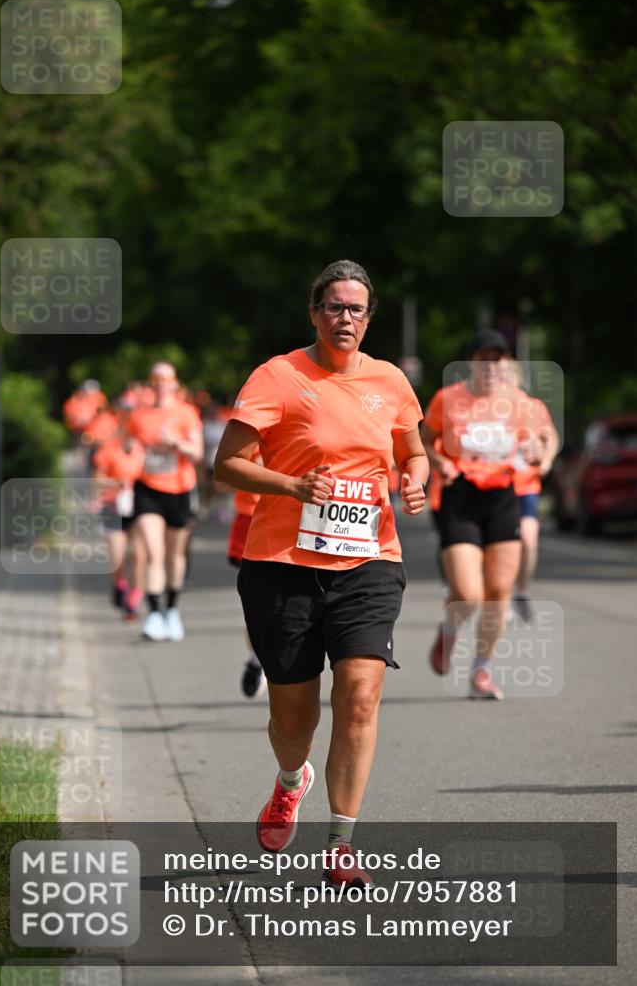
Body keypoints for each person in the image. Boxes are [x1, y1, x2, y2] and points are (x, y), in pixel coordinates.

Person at [215, 260, 428, 888]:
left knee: (360, 696)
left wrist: (414, 479)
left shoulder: (389, 381)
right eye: (334, 307)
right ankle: (290, 782)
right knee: (294, 718)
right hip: (282, 565)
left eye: (356, 309)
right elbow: (226, 464)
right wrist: (290, 484)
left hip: (369, 559)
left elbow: (412, 450)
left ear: (369, 317)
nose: (345, 318)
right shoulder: (278, 377)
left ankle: (341, 840)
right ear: (314, 313)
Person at [421, 329, 548, 700]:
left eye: (498, 358)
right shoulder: (448, 399)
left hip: (502, 497)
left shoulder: (517, 402)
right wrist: (439, 461)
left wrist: (538, 452)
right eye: (484, 358)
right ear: (471, 362)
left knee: (498, 592)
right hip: (460, 497)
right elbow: (425, 440)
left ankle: (481, 671)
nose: (491, 366)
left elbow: (540, 442)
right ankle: (449, 630)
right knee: (467, 592)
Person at [127, 362, 204, 641]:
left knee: (174, 555)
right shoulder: (139, 416)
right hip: (147, 489)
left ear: (174, 383)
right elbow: (132, 450)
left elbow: (197, 453)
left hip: (180, 490)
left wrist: (176, 443)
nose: (160, 382)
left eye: (166, 378)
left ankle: (171, 609)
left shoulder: (186, 413)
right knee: (153, 552)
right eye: (156, 378)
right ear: (151, 382)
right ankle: (155, 615)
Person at [499, 359, 559, 622]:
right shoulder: (489, 409)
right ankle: (499, 594)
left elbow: (551, 437)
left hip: (525, 486)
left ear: (517, 379)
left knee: (528, 539)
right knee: (500, 544)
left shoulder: (534, 407)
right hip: (496, 486)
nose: (501, 381)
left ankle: (520, 593)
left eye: (506, 375)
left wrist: (546, 460)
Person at [226, 447, 266, 698]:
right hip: (251, 518)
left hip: (301, 517)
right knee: (258, 603)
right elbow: (221, 475)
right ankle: (257, 658)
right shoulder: (249, 419)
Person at [92, 431, 146, 616]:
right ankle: (120, 585)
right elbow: (97, 481)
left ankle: (133, 599)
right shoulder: (109, 449)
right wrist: (116, 482)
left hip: (140, 506)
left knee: (140, 555)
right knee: (118, 557)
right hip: (113, 507)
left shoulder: (145, 449)